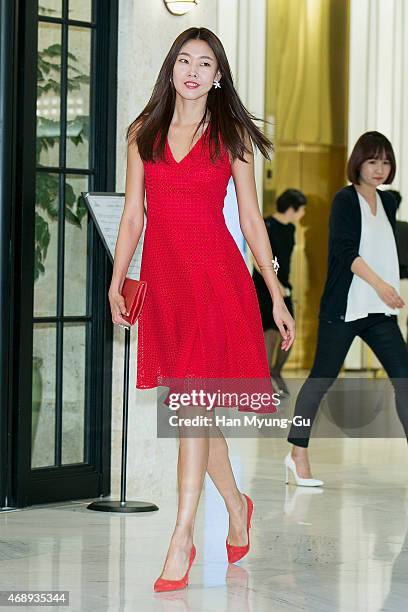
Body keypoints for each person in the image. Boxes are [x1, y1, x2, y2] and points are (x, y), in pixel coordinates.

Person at [108, 27, 295, 591]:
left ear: (217, 76)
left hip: (217, 284)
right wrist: (117, 280)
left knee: (191, 410)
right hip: (166, 286)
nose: (192, 70)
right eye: (184, 60)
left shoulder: (231, 134)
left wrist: (275, 291)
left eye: (205, 62)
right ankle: (238, 509)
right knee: (198, 414)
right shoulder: (144, 132)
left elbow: (252, 218)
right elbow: (134, 216)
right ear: (171, 70)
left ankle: (182, 534)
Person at [285, 131, 408, 487]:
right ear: (359, 162)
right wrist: (382, 285)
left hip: (379, 313)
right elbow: (344, 251)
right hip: (346, 307)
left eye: (385, 162)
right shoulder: (344, 199)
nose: (380, 168)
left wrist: (387, 286)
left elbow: (388, 248)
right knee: (321, 380)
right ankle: (297, 452)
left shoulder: (388, 203)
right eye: (373, 161)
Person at [252, 189, 307, 395]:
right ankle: (265, 379)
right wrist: (274, 282)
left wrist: (283, 286)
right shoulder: (266, 225)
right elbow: (257, 259)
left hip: (284, 286)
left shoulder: (291, 229)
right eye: (302, 210)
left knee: (287, 331)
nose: (303, 214)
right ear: (292, 208)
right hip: (265, 285)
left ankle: (276, 371)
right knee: (270, 333)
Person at [388, 189, 408, 344]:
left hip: (382, 283)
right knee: (402, 323)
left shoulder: (377, 229)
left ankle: (382, 365)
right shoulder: (406, 228)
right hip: (405, 282)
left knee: (385, 325)